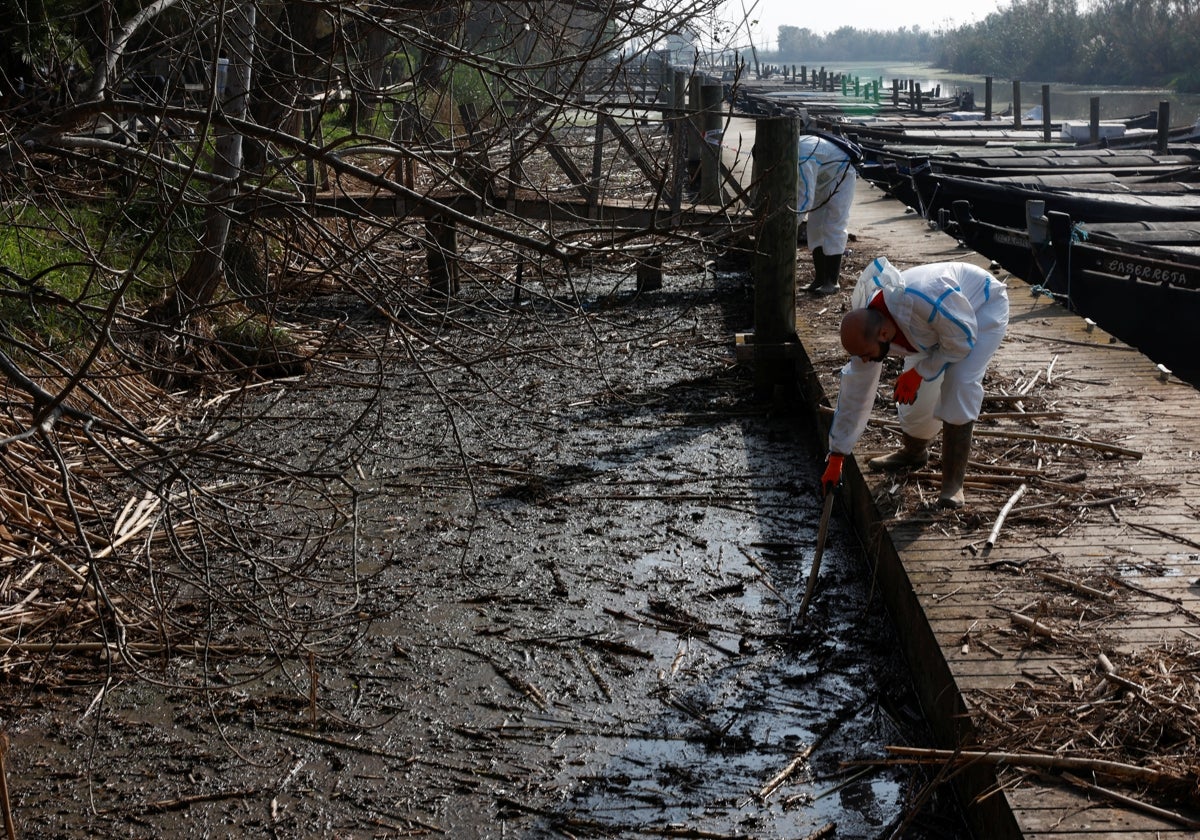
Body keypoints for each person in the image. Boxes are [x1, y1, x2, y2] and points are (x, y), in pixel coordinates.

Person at [819, 257, 1010, 509]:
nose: (864, 360)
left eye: (866, 354)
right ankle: (914, 452)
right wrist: (837, 454)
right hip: (934, 329)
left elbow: (962, 340)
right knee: (916, 400)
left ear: (884, 334)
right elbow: (856, 392)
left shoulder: (924, 300)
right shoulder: (872, 329)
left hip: (979, 309)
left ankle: (953, 484)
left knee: (959, 381)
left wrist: (920, 372)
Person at [797, 132, 859, 296]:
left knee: (835, 224)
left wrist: (789, 225)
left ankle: (832, 281)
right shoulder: (796, 151)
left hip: (842, 173)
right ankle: (819, 278)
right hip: (823, 178)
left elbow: (805, 199)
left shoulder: (802, 154)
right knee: (815, 226)